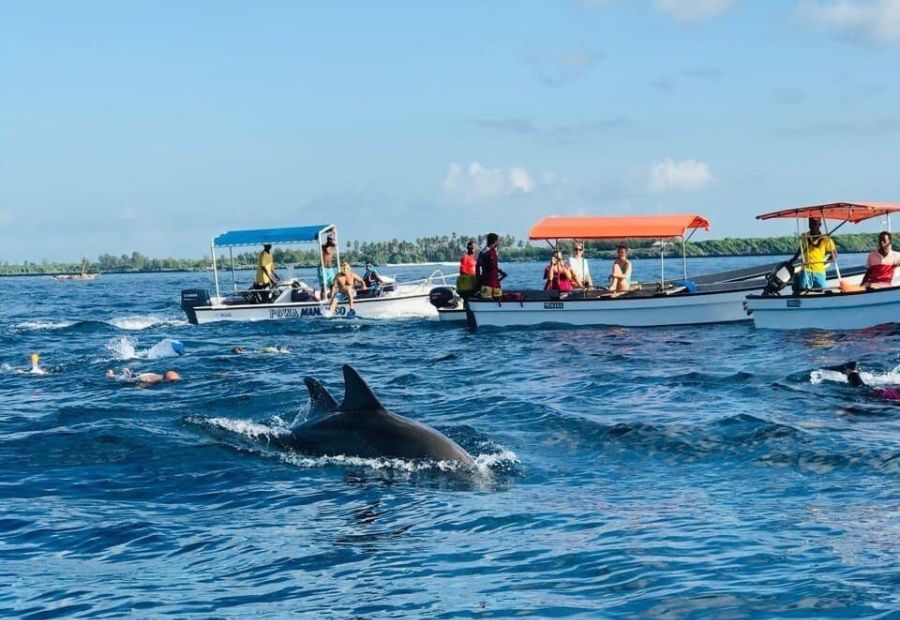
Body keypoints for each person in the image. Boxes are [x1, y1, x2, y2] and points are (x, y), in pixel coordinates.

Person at [791, 217, 836, 290]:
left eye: (814, 224)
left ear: (820, 224)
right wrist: (793, 259)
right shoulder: (804, 236)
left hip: (819, 271)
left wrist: (824, 262)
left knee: (820, 290)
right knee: (803, 290)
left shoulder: (826, 239)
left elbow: (834, 255)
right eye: (810, 224)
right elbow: (801, 248)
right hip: (806, 270)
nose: (812, 226)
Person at [831, 361, 900, 402]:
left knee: (865, 390)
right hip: (885, 395)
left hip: (891, 391)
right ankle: (850, 370)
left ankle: (851, 371)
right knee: (862, 391)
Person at [476, 233, 507, 300]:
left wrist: (501, 272)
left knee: (499, 301)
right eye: (497, 241)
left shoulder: (494, 252)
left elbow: (493, 266)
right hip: (486, 284)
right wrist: (478, 280)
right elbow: (478, 266)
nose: (498, 243)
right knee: (487, 301)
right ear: (495, 242)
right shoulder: (484, 252)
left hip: (496, 284)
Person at [106, 368, 181, 388]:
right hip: (142, 378)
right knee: (121, 379)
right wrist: (140, 387)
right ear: (166, 380)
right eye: (172, 381)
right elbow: (146, 384)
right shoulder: (157, 380)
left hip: (145, 375)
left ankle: (128, 372)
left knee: (131, 375)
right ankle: (110, 374)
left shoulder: (162, 377)